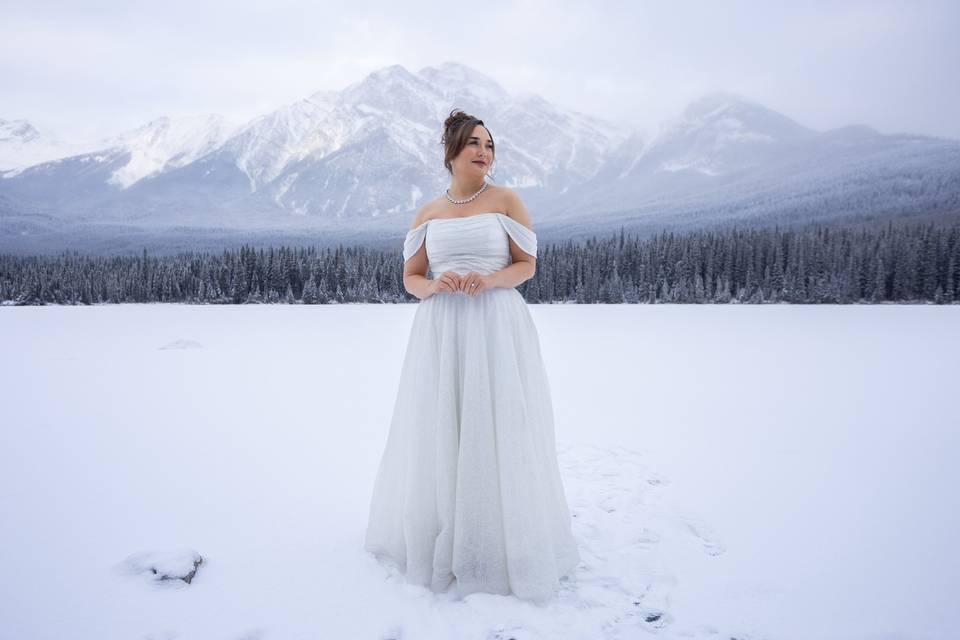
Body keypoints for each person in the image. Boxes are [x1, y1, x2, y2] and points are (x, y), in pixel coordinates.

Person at [363, 109, 580, 602]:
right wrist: (434, 286)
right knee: (445, 426)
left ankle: (499, 542)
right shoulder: (427, 213)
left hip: (495, 324)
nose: (484, 152)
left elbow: (527, 265)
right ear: (451, 152)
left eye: (490, 145)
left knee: (496, 425)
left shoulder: (506, 201)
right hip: (442, 329)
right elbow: (410, 278)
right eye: (474, 144)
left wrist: (490, 279)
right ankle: (446, 532)